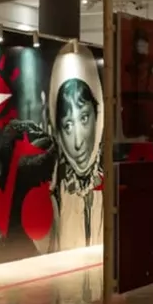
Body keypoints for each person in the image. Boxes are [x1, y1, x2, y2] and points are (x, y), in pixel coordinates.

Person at [47, 44, 104, 253]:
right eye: (68, 125)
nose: (78, 142)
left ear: (98, 116)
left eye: (84, 118)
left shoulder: (114, 182)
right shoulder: (56, 190)